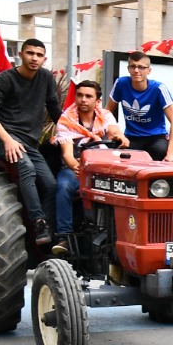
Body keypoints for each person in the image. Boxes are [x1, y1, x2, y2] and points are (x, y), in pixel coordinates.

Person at [0, 38, 62, 245]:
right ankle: (37, 222)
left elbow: (54, 108)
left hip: (29, 142)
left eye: (39, 55)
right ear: (20, 55)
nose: (34, 58)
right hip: (4, 138)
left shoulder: (46, 77)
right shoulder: (5, 79)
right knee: (27, 168)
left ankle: (48, 232)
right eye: (30, 53)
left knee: (51, 184)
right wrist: (7, 139)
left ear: (44, 59)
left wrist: (68, 133)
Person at [52, 79, 126, 254]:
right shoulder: (65, 120)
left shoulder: (106, 115)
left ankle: (119, 237)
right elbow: (67, 155)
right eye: (79, 95)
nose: (83, 99)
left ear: (97, 101)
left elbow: (114, 131)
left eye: (88, 96)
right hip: (76, 168)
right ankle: (64, 237)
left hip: (104, 167)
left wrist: (119, 138)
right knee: (63, 187)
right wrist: (80, 169)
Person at [108, 51, 173, 161]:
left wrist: (170, 155)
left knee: (159, 151)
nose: (136, 70)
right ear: (128, 69)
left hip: (156, 138)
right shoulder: (121, 83)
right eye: (133, 66)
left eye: (141, 67)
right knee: (116, 153)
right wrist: (116, 133)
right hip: (132, 137)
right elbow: (107, 113)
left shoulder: (159, 88)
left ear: (149, 71)